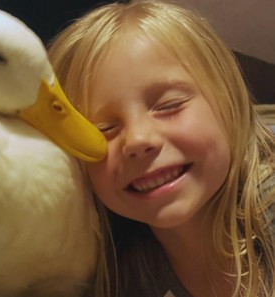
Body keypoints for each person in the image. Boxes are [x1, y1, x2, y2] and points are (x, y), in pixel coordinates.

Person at [47, 1, 275, 296]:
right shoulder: (124, 274)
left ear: (229, 101)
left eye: (169, 106)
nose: (138, 140)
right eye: (102, 130)